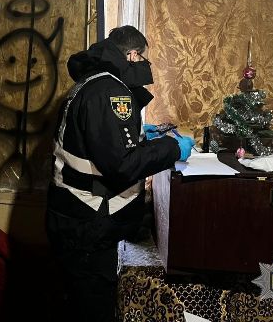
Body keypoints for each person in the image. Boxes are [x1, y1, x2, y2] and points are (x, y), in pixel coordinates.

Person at [46, 25, 195, 322]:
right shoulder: (111, 91)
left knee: (78, 303)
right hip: (88, 222)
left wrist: (141, 136)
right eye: (143, 59)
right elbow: (122, 165)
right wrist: (171, 148)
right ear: (133, 55)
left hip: (73, 216)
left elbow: (99, 143)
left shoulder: (93, 82)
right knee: (93, 308)